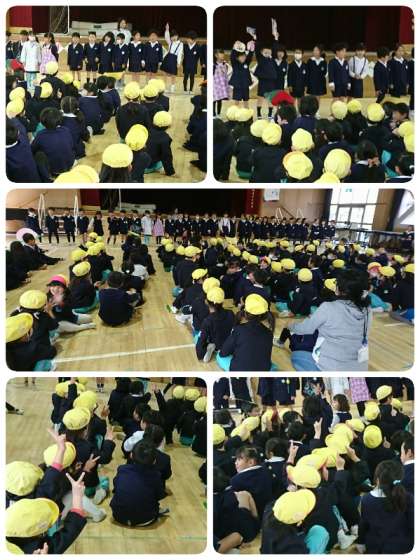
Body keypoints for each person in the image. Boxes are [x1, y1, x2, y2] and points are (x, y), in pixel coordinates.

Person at [279, 269, 372, 371]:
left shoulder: (328, 307)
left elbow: (306, 329)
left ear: (339, 289)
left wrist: (290, 325)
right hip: (359, 367)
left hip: (331, 367)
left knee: (296, 356)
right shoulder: (368, 310)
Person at [110, 440, 166, 526]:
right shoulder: (155, 476)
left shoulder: (122, 470)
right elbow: (160, 496)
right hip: (145, 519)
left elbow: (115, 487)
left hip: (118, 516)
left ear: (131, 455)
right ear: (154, 461)